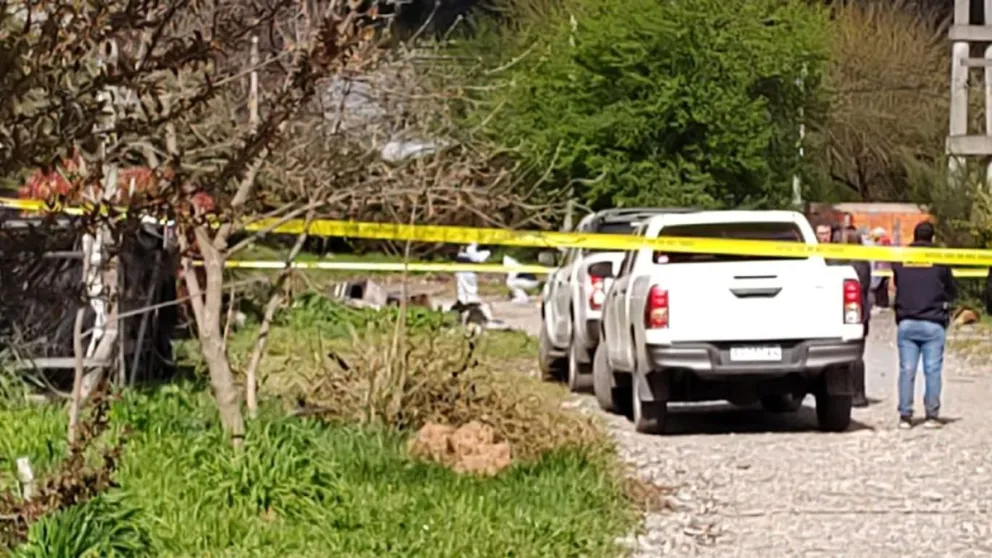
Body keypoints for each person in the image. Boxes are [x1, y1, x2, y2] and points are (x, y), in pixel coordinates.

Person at [891, 221, 957, 430]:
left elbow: (898, 282)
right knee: (933, 370)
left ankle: (905, 416)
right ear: (933, 238)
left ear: (914, 236)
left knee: (907, 370)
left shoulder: (903, 257)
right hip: (933, 322)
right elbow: (951, 289)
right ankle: (931, 416)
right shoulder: (939, 258)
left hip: (907, 321)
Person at [830, 226, 872, 407]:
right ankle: (857, 394)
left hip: (841, 311)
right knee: (856, 354)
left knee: (844, 355)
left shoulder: (833, 260)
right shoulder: (861, 261)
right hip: (858, 311)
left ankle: (846, 392)